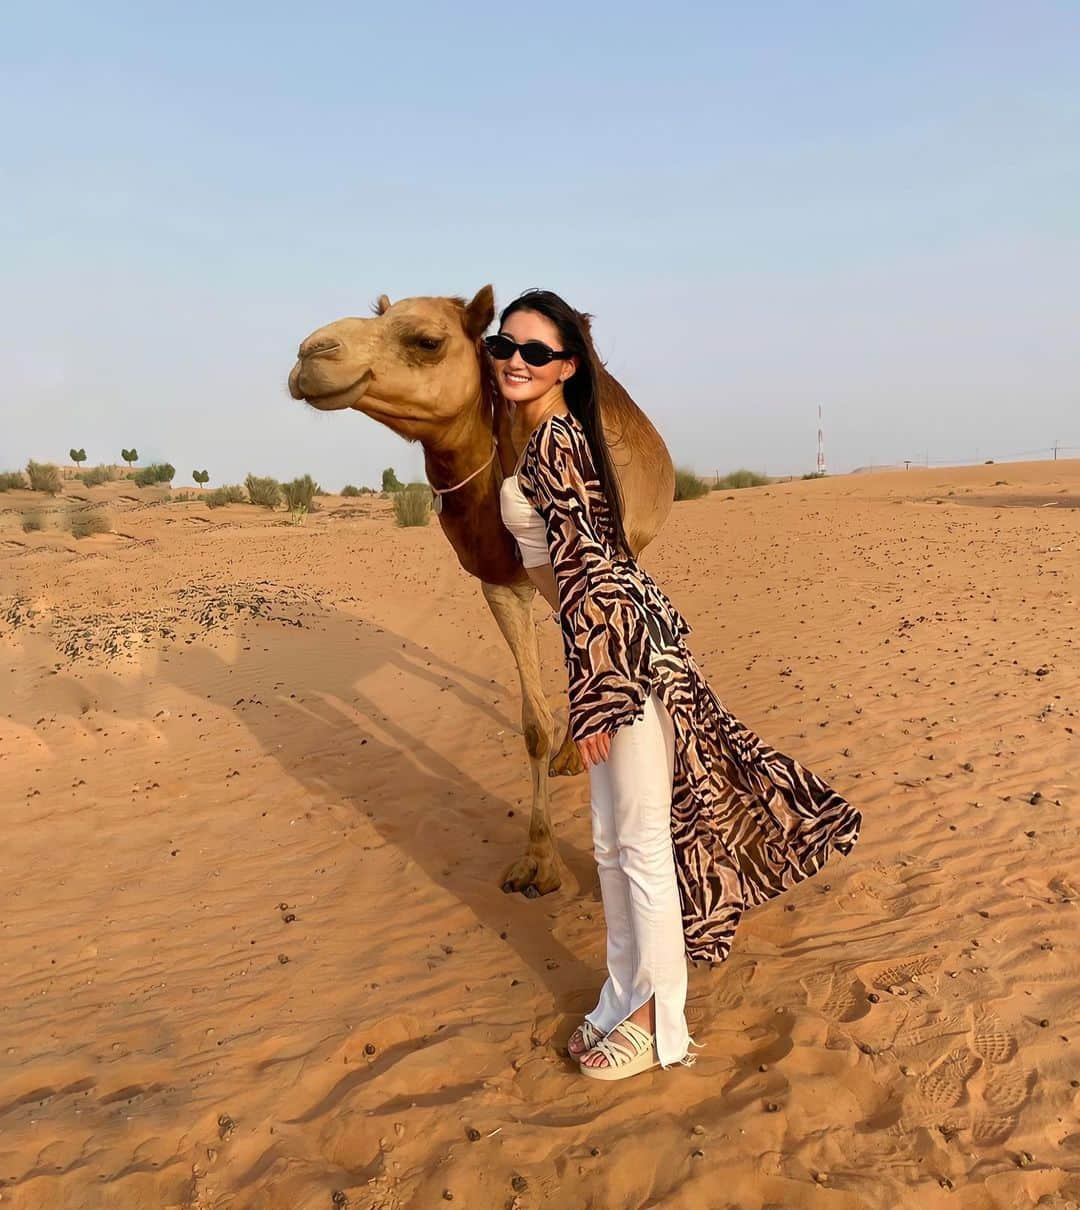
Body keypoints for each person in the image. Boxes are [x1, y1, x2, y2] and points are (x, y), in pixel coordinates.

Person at [492, 289, 862, 1082]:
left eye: (535, 351)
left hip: (622, 658)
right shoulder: (545, 446)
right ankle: (626, 993)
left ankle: (662, 1020)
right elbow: (570, 577)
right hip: (623, 647)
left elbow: (594, 576)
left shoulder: (557, 442)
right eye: (505, 346)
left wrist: (597, 689)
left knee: (637, 841)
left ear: (566, 366)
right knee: (614, 842)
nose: (515, 362)